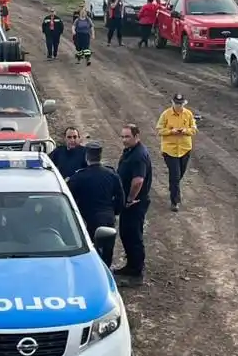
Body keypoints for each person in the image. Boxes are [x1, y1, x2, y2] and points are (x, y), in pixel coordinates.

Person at [66, 142, 125, 267]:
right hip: (107, 218)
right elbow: (121, 198)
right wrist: (114, 211)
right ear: (100, 156)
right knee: (107, 251)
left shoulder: (78, 177)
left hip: (87, 220)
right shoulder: (111, 174)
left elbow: (69, 200)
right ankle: (106, 272)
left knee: (88, 251)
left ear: (86, 157)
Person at [115, 123, 152, 282]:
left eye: (127, 137)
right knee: (126, 233)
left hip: (135, 203)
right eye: (122, 136)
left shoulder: (138, 155)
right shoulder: (130, 151)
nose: (124, 140)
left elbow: (138, 181)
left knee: (133, 235)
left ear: (137, 137)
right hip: (129, 202)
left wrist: (129, 199)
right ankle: (131, 265)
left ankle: (136, 271)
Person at [156, 93, 198, 211]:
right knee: (175, 176)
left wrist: (185, 130)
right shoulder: (166, 114)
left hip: (185, 149)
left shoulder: (188, 114)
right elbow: (159, 130)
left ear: (184, 103)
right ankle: (175, 201)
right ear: (172, 103)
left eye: (181, 104)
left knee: (179, 175)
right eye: (176, 103)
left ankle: (173, 188)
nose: (179, 106)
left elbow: (194, 129)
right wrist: (171, 131)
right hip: (170, 150)